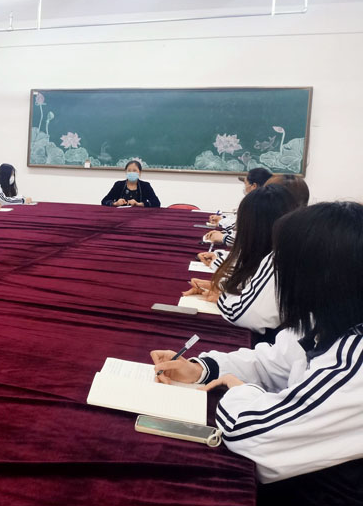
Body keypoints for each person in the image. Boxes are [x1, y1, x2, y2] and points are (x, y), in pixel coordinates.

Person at [153, 202, 363, 505]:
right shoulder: (324, 319)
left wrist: (239, 390)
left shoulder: (355, 359)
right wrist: (203, 369)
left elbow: (249, 433)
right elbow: (273, 362)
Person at [185, 185, 299, 340]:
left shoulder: (278, 258)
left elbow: (241, 313)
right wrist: (221, 285)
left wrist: (222, 295)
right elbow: (250, 279)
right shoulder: (283, 247)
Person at [207, 167, 274, 240]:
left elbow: (243, 231)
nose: (244, 187)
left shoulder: (257, 205)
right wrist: (222, 219)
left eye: (245, 183)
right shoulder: (270, 199)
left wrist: (222, 237)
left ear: (254, 186)